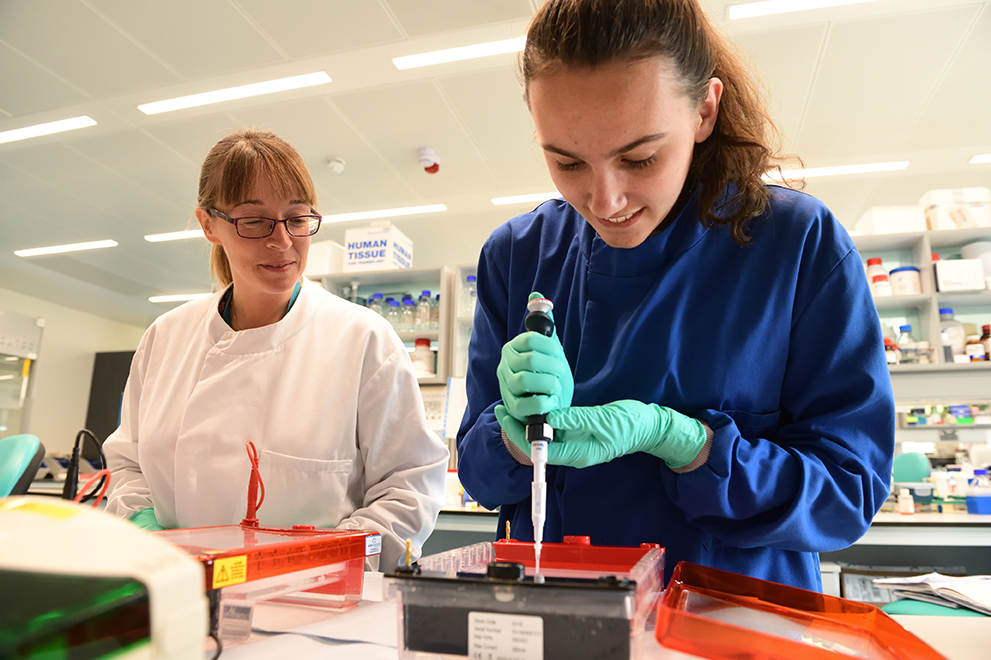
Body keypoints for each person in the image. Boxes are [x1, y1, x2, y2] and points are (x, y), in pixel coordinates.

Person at [456, 0, 894, 591]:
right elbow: (480, 479)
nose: (605, 200)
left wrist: (686, 443)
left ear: (705, 111)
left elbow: (847, 492)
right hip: (555, 608)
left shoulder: (796, 244)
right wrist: (509, 435)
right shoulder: (518, 253)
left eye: (640, 158)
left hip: (728, 619)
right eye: (567, 162)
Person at [104, 129, 449, 570]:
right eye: (254, 221)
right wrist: (145, 525)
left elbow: (409, 487)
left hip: (315, 611)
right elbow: (128, 465)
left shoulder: (363, 339)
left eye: (298, 219)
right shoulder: (166, 337)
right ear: (209, 223)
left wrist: (321, 563)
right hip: (179, 590)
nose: (282, 241)